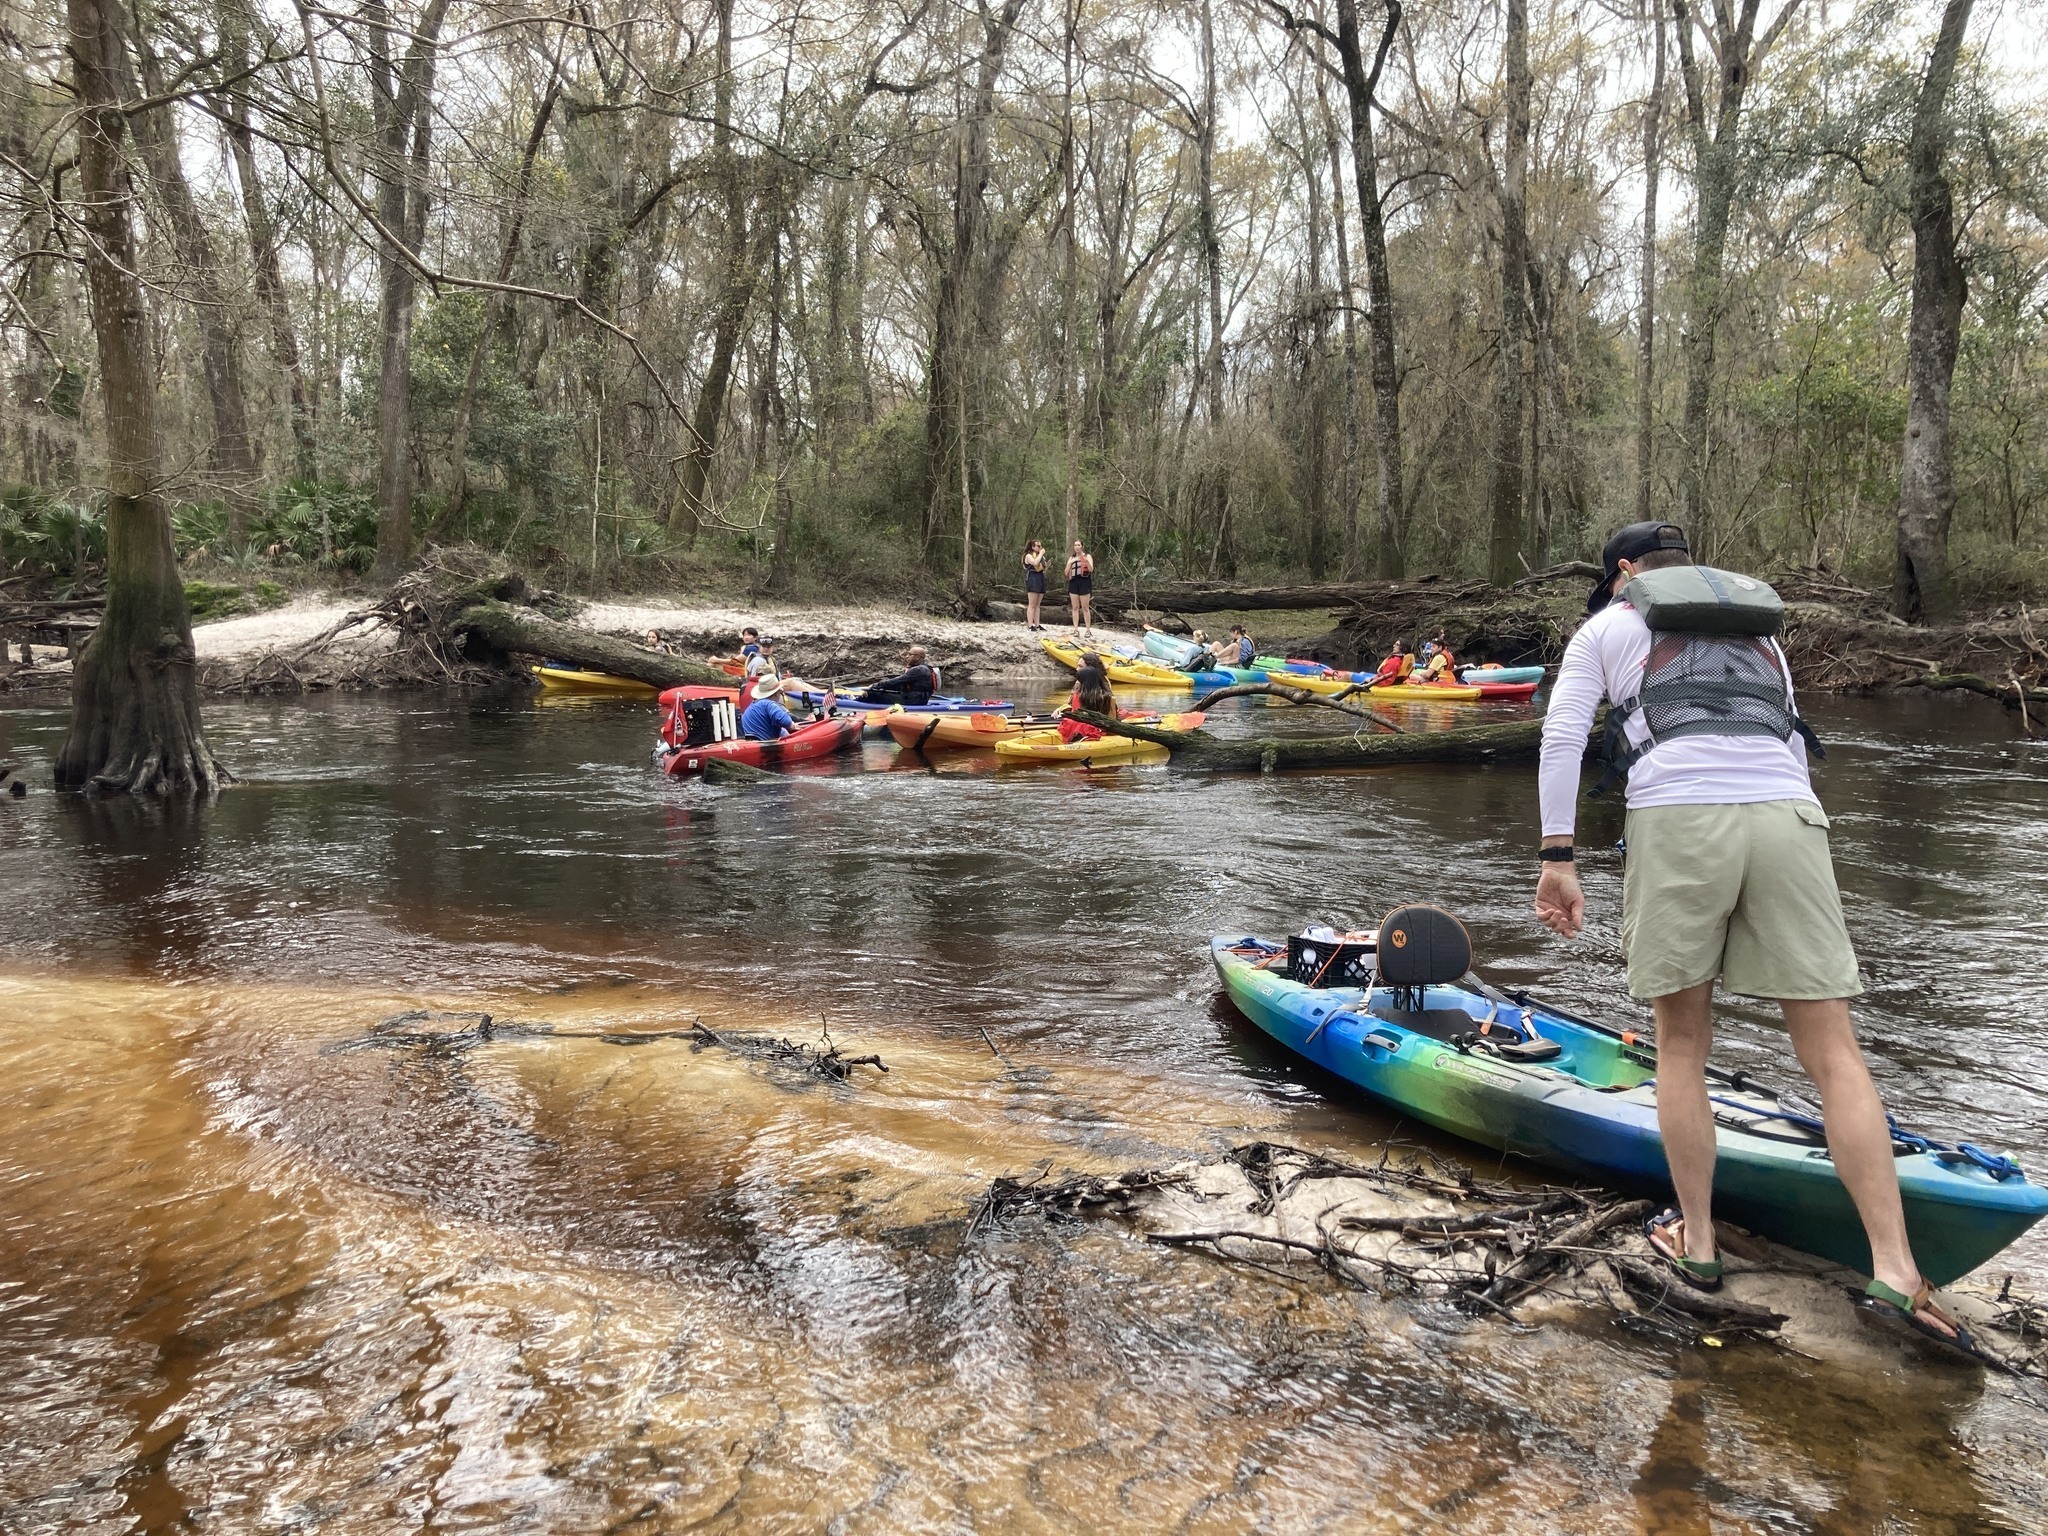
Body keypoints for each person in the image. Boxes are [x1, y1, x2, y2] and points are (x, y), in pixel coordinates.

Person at [1533, 521, 1979, 1360]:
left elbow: (1563, 737)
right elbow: (1791, 738)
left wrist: (1559, 857)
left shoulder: (1608, 625)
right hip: (1790, 818)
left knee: (1681, 1041)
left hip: (1678, 820)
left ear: (1624, 572)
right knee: (1834, 1052)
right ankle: (1898, 1270)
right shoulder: (1760, 634)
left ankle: (1697, 1245)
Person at [1058, 653, 1117, 742]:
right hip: (1079, 718)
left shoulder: (1101, 685)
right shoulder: (1079, 683)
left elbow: (1108, 711)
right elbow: (1070, 704)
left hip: (1092, 722)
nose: (1077, 669)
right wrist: (1061, 709)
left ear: (1090, 668)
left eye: (1080, 666)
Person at [866, 645, 939, 706]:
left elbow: (897, 681)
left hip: (911, 702)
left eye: (910, 654)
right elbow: (899, 685)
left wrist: (873, 686)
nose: (907, 656)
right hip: (917, 699)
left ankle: (865, 707)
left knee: (872, 692)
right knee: (882, 688)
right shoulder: (925, 668)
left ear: (917, 657)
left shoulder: (918, 670)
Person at [1065, 541, 1095, 635]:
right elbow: (1066, 572)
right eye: (1075, 545)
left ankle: (1088, 630)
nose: (1077, 547)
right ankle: (1076, 630)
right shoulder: (1071, 558)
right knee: (1075, 607)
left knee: (1085, 607)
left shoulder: (1087, 556)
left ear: (1082, 546)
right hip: (1073, 583)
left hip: (1084, 582)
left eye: (1079, 545)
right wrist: (1070, 563)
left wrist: (1086, 562)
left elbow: (1091, 570)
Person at [1023, 540, 1049, 630]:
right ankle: (1030, 624)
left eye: (1040, 546)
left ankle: (1037, 624)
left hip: (1040, 576)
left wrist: (1043, 558)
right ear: (1032, 547)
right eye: (1038, 546)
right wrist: (1041, 554)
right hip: (1032, 577)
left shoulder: (1040, 555)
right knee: (1032, 603)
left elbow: (1043, 565)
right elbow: (1034, 563)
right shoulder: (1028, 555)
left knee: (1038, 604)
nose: (1040, 547)